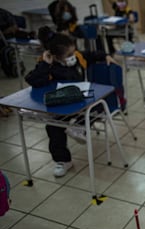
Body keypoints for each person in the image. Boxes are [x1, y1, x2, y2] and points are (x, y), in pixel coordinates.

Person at [24, 26, 115, 177]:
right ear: (55, 56)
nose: (74, 55)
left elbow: (92, 54)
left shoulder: (78, 57)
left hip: (82, 101)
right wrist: (45, 64)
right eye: (69, 54)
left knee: (97, 107)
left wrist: (105, 55)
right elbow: (32, 80)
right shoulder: (48, 65)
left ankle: (79, 127)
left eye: (74, 51)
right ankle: (63, 161)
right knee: (53, 127)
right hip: (61, 103)